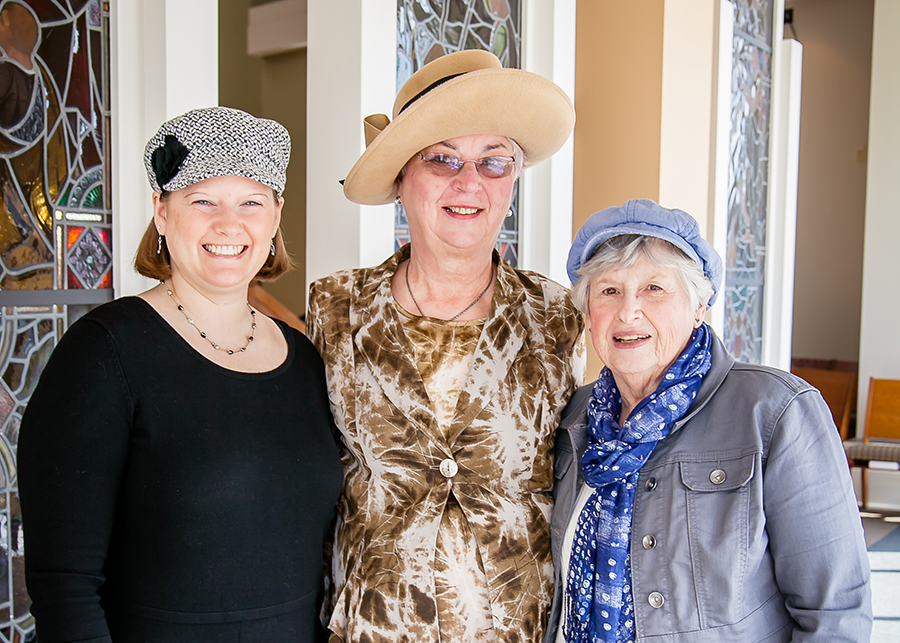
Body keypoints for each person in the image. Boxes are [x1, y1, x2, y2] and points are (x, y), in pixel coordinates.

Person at [18, 106, 343, 643]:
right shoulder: (104, 354)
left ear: (276, 216)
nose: (229, 224)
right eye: (203, 201)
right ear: (162, 213)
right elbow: (65, 588)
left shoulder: (305, 359)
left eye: (251, 203)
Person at [307, 50, 585, 643]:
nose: (469, 182)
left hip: (518, 629)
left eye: (494, 162)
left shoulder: (559, 317)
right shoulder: (333, 310)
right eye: (443, 159)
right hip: (371, 626)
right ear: (402, 178)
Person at [547, 198, 873, 643]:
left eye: (655, 289)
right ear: (588, 315)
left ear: (699, 306)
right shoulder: (572, 420)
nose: (628, 312)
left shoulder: (773, 411)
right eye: (609, 291)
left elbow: (835, 613)